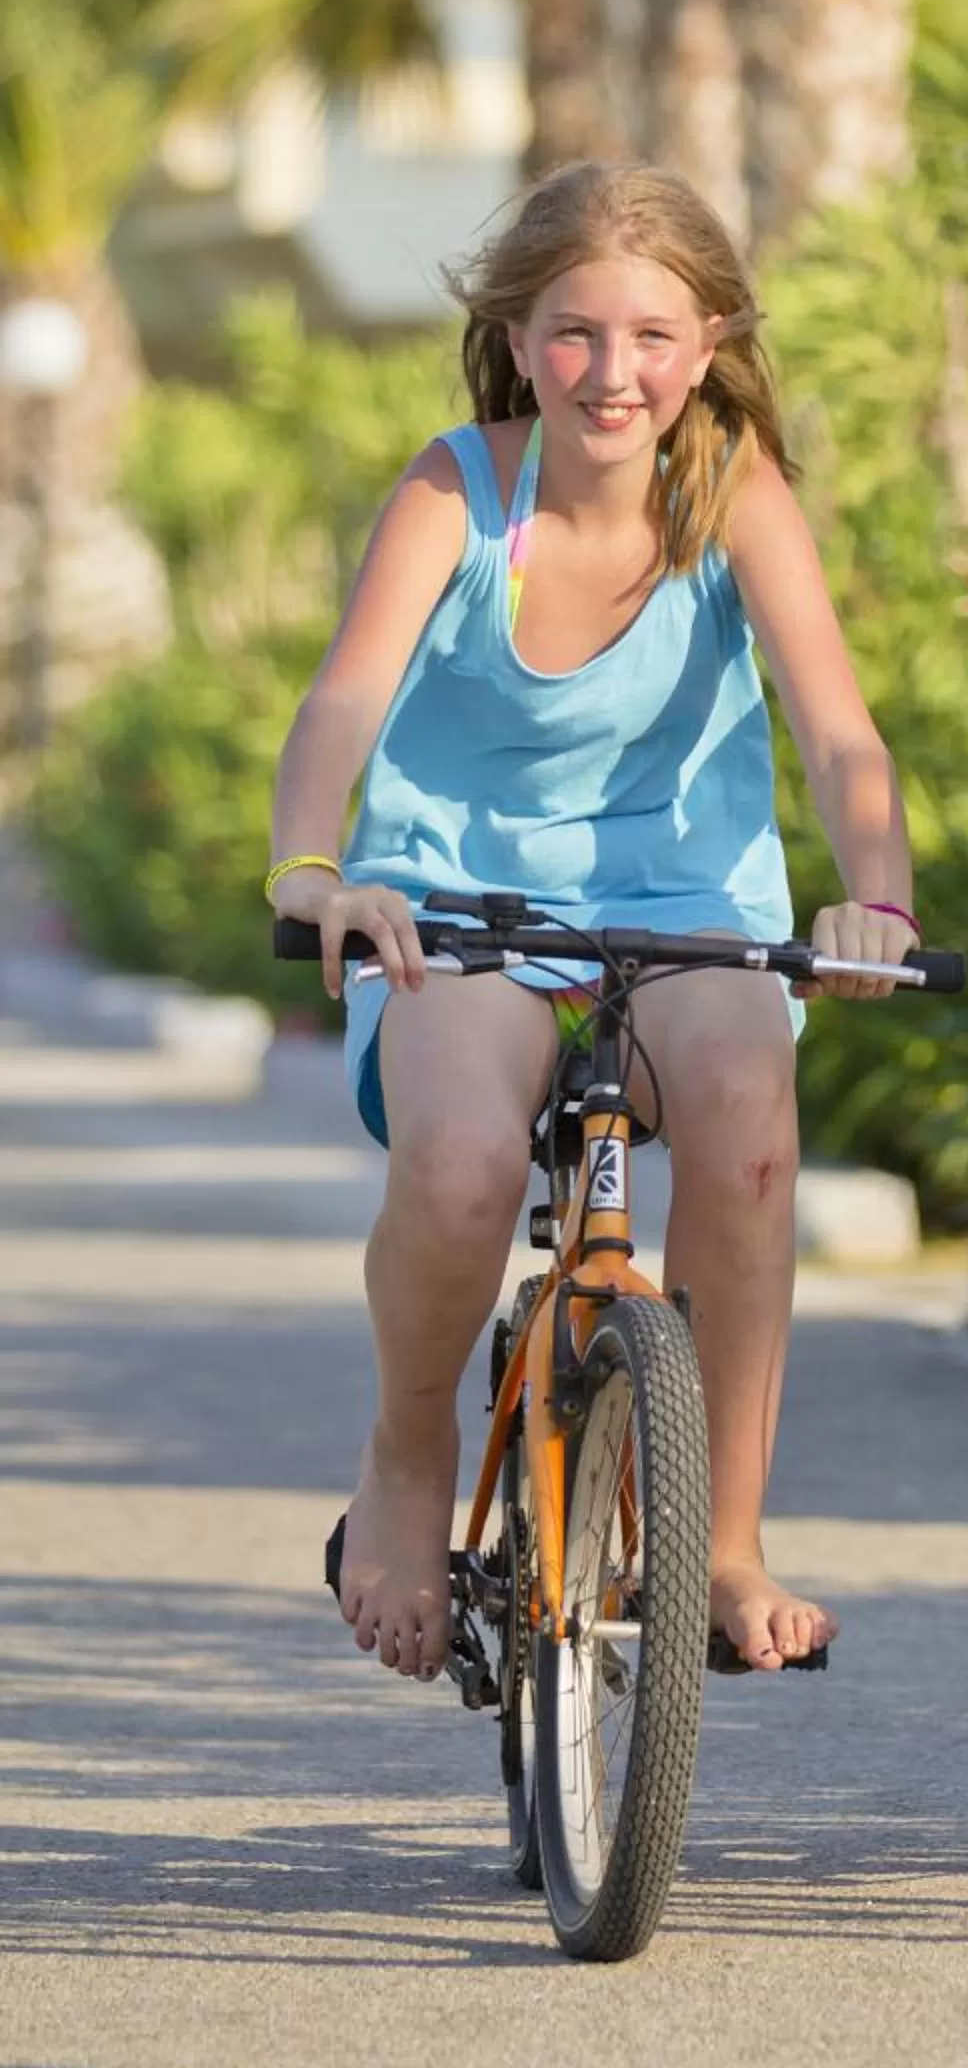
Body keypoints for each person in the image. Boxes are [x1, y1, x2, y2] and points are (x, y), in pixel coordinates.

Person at [268, 160, 919, 1682]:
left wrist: (878, 895)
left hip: (685, 903)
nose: (611, 372)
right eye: (574, 332)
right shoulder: (457, 492)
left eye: (651, 336)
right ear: (517, 336)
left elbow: (841, 736)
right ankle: (408, 1454)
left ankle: (726, 1543)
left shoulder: (736, 495)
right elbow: (344, 698)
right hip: (456, 900)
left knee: (750, 1140)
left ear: (707, 347)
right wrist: (311, 870)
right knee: (465, 1162)